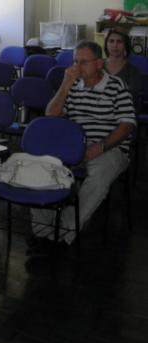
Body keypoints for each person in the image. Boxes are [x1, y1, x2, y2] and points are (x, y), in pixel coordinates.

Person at [32, 40, 135, 245]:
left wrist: (102, 146)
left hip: (110, 149)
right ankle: (43, 229)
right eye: (75, 62)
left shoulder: (116, 86)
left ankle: (65, 230)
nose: (77, 67)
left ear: (99, 64)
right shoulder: (73, 86)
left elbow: (127, 125)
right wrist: (65, 84)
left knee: (98, 175)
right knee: (39, 165)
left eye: (83, 62)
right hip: (74, 148)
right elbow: (51, 115)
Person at [103, 28, 141, 109]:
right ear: (106, 44)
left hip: (123, 113)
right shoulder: (97, 66)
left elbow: (131, 99)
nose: (115, 45)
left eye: (119, 41)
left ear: (125, 45)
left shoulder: (133, 71)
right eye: (111, 41)